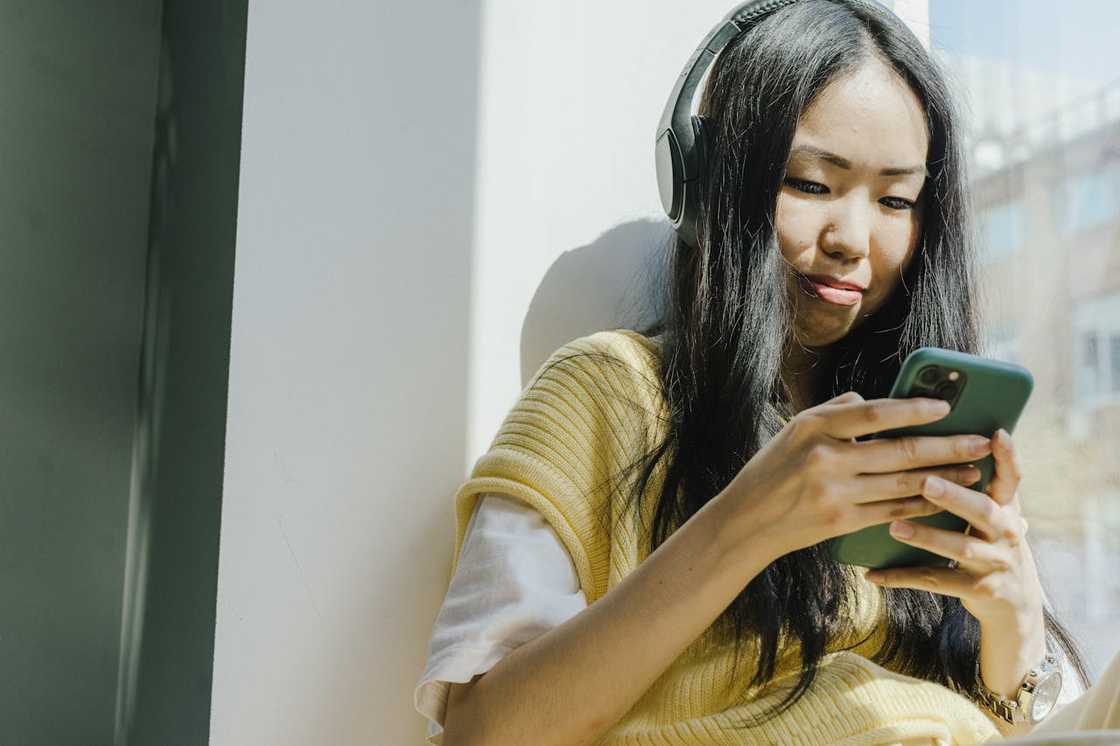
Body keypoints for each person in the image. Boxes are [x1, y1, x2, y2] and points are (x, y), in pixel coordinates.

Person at [414, 1, 1120, 743]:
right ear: (714, 182)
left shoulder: (909, 430)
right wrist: (747, 523)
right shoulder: (607, 389)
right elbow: (480, 732)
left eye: (895, 199)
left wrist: (1014, 620)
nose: (853, 237)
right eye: (812, 184)